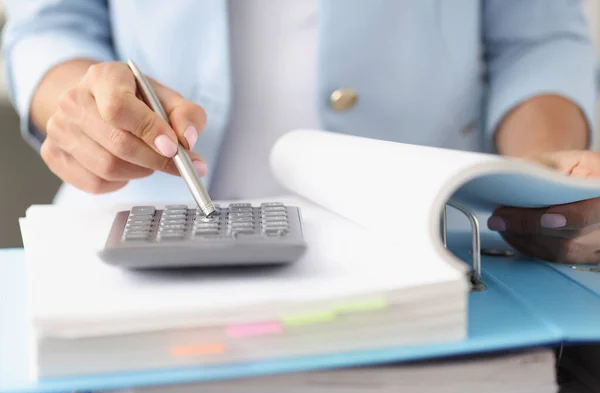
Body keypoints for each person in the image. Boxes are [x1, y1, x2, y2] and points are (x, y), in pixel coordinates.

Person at [1, 2, 599, 259]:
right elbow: (49, 23)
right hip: (139, 219)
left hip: (434, 234)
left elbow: (537, 35)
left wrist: (534, 166)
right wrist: (80, 105)